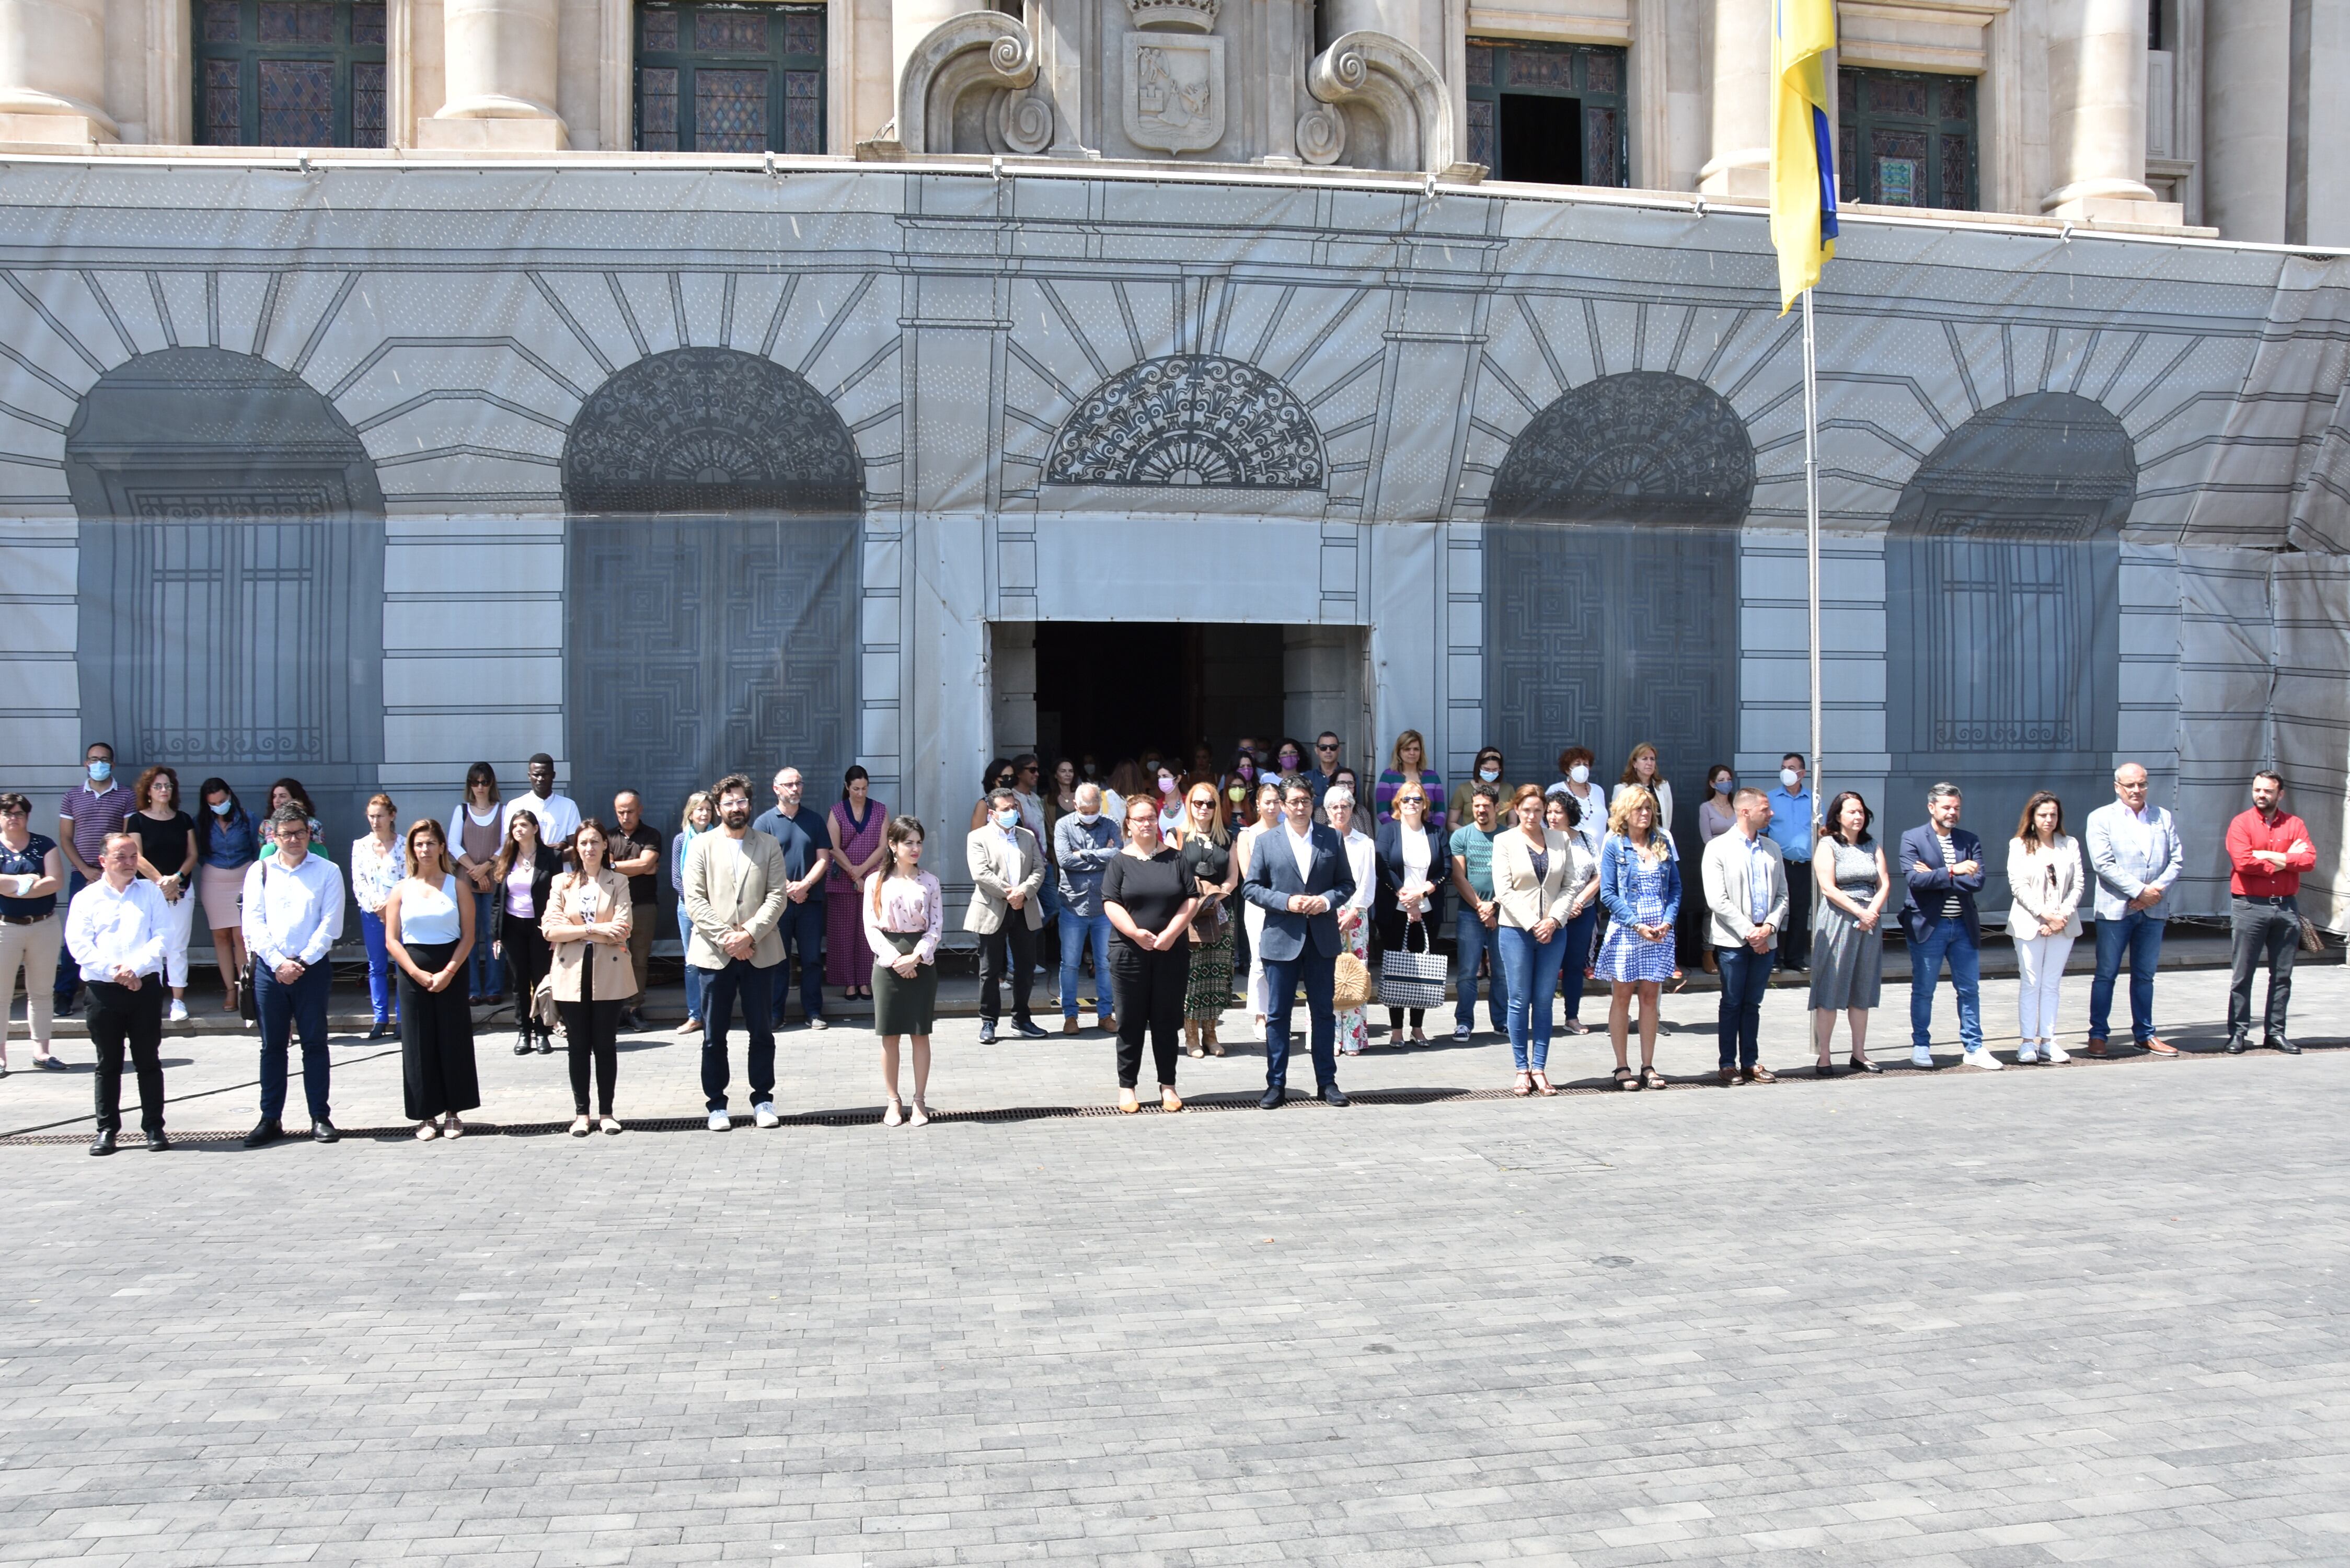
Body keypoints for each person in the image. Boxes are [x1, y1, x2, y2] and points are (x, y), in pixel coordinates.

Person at [682, 774, 790, 1131]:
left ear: (750, 804)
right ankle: (716, 1104)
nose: (736, 808)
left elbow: (777, 896)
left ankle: (763, 1100)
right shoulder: (701, 845)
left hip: (759, 951)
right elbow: (694, 898)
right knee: (714, 1034)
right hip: (715, 954)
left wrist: (748, 935)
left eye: (741, 801)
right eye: (728, 803)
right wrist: (728, 938)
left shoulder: (769, 845)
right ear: (717, 808)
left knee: (761, 1031)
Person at [1242, 778, 1356, 1110]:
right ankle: (1276, 1085)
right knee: (1277, 1016)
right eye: (1293, 801)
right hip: (1282, 937)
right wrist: (1286, 902)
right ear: (1281, 804)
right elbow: (1251, 889)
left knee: (1323, 1013)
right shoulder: (1265, 840)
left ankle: (1327, 1082)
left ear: (1313, 803)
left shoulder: (1331, 837)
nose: (1300, 807)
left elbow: (1346, 884)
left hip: (1321, 938)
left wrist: (1326, 901)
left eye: (1305, 800)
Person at [240, 807, 345, 1147]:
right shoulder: (260, 871)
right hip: (271, 973)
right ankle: (270, 1118)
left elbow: (331, 925)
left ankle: (320, 1116)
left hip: (312, 971)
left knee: (315, 1044)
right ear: (274, 837)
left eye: (300, 832)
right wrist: (277, 963)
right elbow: (253, 923)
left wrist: (300, 962)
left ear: (309, 833)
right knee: (272, 1047)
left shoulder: (328, 871)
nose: (294, 839)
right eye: (286, 834)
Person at [65, 833, 171, 1155]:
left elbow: (163, 937)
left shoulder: (150, 893)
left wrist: (135, 970)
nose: (129, 864)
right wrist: (116, 972)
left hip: (144, 988)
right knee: (108, 1063)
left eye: (133, 856)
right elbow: (79, 945)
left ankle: (154, 1127)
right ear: (103, 862)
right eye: (121, 858)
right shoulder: (86, 898)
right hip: (103, 990)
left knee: (148, 1061)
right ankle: (107, 1130)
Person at [382, 817, 480, 1140]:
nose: (425, 849)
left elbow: (468, 936)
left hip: (451, 969)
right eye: (419, 844)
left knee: (452, 1039)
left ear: (442, 848)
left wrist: (449, 971)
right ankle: (426, 1115)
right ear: (412, 848)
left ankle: (453, 1112)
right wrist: (416, 973)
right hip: (414, 974)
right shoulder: (400, 889)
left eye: (431, 843)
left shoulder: (458, 886)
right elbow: (392, 940)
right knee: (418, 1043)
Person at [1102, 795, 1200, 1114]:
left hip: (1171, 951)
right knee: (1129, 1021)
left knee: (1166, 1020)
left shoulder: (1176, 859)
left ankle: (1168, 1085)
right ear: (1128, 824)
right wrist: (1134, 933)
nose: (1146, 824)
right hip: (1129, 953)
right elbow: (1111, 903)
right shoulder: (1119, 861)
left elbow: (1191, 899)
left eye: (1150, 818)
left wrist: (1171, 934)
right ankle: (1127, 1086)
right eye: (1139, 819)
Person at [544, 816, 637, 1138]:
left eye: (595, 841)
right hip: (571, 973)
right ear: (576, 848)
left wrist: (575, 934)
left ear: (605, 845)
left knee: (606, 1044)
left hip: (609, 972)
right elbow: (550, 929)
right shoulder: (562, 883)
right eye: (584, 842)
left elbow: (623, 929)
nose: (590, 847)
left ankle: (607, 1112)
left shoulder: (618, 881)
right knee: (578, 1046)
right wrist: (594, 929)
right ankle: (582, 1114)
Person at [2083, 763, 2184, 1058]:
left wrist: (2154, 894)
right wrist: (2140, 892)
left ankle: (2145, 1034)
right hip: (2116, 909)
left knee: (2145, 976)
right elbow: (2103, 863)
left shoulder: (2162, 816)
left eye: (2142, 784)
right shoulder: (2101, 818)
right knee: (2106, 974)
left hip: (2153, 910)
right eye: (2130, 785)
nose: (2137, 790)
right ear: (2118, 787)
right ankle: (2098, 1035)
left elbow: (2176, 860)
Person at [1899, 783, 1995, 1070]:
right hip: (1929, 925)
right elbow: (1915, 881)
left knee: (1969, 989)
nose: (1953, 813)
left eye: (1957, 808)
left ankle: (1974, 1047)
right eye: (1947, 807)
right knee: (1924, 989)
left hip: (1963, 925)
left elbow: (1978, 882)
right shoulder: (1913, 838)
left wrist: (1938, 876)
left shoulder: (1969, 840)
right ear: (1932, 808)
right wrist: (1955, 870)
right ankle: (1921, 1045)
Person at [2224, 769, 2317, 1055]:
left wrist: (2267, 855)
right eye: (2257, 790)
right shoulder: (2241, 823)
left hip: (2287, 907)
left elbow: (2310, 860)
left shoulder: (2295, 824)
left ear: (2280, 794)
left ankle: (2275, 1033)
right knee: (2243, 974)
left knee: (2282, 975)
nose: (2261, 795)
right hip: (2249, 905)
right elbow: (2243, 862)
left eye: (2267, 791)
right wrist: (2286, 860)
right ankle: (2238, 1033)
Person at [1491, 785, 1576, 1096]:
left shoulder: (1560, 839)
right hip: (1517, 930)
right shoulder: (1504, 841)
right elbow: (1504, 890)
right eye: (1526, 810)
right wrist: (1533, 923)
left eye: (1538, 810)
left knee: (1543, 1000)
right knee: (1518, 999)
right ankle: (1521, 1069)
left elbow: (1570, 885)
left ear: (1546, 812)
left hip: (1554, 930)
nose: (1532, 815)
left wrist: (1553, 920)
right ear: (1516, 809)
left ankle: (1540, 1068)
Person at [1701, 787, 1787, 1087]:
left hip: (1766, 939)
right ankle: (1727, 1063)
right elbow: (1717, 899)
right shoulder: (1718, 848)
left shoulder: (1773, 849)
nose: (1771, 813)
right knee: (1732, 1002)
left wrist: (1769, 928)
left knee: (1753, 1004)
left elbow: (1783, 896)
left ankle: (1750, 1061)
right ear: (1745, 811)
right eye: (1766, 808)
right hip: (1733, 941)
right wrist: (1750, 932)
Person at [1595, 787, 1679, 1091]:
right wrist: (1636, 924)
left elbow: (1676, 888)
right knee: (1622, 996)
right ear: (1625, 812)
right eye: (1639, 809)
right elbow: (1608, 893)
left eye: (1649, 808)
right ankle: (1621, 1066)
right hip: (1629, 931)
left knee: (1649, 998)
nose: (1645, 814)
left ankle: (1648, 1065)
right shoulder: (1615, 845)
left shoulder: (1663, 841)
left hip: (1660, 932)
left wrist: (1668, 920)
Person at [865, 816, 944, 1127]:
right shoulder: (876, 881)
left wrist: (917, 957)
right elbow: (871, 926)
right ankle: (893, 1101)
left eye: (919, 842)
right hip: (888, 958)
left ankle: (919, 1101)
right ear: (893, 845)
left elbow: (936, 926)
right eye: (908, 842)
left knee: (920, 1032)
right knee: (890, 1035)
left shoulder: (931, 881)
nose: (915, 848)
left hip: (922, 959)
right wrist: (896, 958)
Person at [1807, 791, 1889, 1075]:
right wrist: (1859, 911)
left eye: (1861, 812)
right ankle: (1825, 1055)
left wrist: (1872, 913)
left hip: (1869, 921)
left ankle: (1859, 1053)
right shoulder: (1828, 845)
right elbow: (1828, 887)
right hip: (1839, 918)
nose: (1858, 816)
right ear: (1838, 816)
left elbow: (1884, 883)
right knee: (1832, 984)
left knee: (1862, 986)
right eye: (1852, 812)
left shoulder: (1872, 845)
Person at [54, 740, 132, 1019]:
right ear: (86, 763)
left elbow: (127, 838)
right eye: (93, 759)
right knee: (77, 935)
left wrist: (111, 870)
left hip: (115, 875)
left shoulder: (126, 796)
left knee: (117, 931)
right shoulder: (72, 796)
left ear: (112, 763)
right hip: (82, 874)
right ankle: (64, 993)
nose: (98, 763)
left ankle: (119, 986)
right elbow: (65, 838)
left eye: (104, 759)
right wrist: (86, 870)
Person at [965, 787, 1049, 1043]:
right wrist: (1010, 893)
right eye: (1006, 809)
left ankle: (1021, 1018)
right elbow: (980, 873)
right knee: (990, 970)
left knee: (1025, 968)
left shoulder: (1027, 836)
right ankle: (988, 1021)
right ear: (992, 813)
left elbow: (1039, 868)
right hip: (992, 908)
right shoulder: (978, 837)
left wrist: (1023, 892)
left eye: (1014, 807)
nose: (1012, 812)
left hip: (1025, 908)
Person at [2007, 791, 2083, 1067]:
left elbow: (2079, 885)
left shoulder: (2069, 844)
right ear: (2033, 817)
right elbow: (2018, 885)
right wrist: (2044, 915)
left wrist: (2060, 916)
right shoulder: (2019, 845)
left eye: (2053, 814)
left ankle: (2048, 1041)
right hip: (2031, 923)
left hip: (2063, 924)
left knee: (2051, 984)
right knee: (2031, 982)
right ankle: (2027, 1042)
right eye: (2043, 815)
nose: (2049, 820)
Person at [753, 767, 831, 1030]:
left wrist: (805, 885)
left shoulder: (815, 820)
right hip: (777, 903)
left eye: (799, 783)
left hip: (810, 901)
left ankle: (813, 1012)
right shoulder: (764, 823)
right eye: (789, 785)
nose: (795, 789)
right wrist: (788, 887)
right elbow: (759, 863)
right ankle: (776, 1013)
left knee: (811, 959)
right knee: (778, 959)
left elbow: (824, 859)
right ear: (776, 789)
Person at [1375, 781, 1449, 1047]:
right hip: (1395, 909)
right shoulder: (1388, 831)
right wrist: (1406, 897)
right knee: (1397, 969)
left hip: (1428, 910)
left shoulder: (1436, 832)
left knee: (1423, 970)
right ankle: (1396, 1030)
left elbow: (1446, 868)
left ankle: (1417, 1028)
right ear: (1398, 803)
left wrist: (1425, 892)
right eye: (1406, 799)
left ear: (1425, 804)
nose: (1412, 804)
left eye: (1417, 799)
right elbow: (1382, 867)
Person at [125, 766, 198, 1024]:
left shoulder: (184, 819)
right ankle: (150, 998)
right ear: (148, 791)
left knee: (177, 946)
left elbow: (192, 855)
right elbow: (137, 856)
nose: (164, 790)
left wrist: (176, 879)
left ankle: (178, 1000)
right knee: (148, 946)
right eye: (158, 786)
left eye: (168, 786)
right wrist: (161, 882)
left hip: (182, 890)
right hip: (150, 892)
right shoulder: (137, 820)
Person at [0, 792, 65, 1071]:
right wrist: (27, 881)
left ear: (27, 816)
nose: (14, 818)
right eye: (8, 813)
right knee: (1, 994)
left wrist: (13, 887)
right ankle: (1, 1056)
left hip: (44, 925)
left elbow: (56, 882)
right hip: (6, 928)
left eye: (19, 813)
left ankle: (42, 1051)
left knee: (41, 991)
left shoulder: (44, 844)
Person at [489, 811, 561, 1056]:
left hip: (541, 928)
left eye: (523, 825)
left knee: (541, 980)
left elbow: (558, 895)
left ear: (535, 829)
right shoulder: (506, 857)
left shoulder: (551, 857)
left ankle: (542, 1032)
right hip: (513, 927)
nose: (518, 829)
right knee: (519, 982)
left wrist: (556, 931)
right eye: (514, 826)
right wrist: (496, 935)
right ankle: (524, 1032)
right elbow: (498, 900)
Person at [1176, 779, 1238, 1056]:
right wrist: (1198, 894)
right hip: (1190, 914)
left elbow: (1234, 878)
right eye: (1198, 803)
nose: (1203, 808)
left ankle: (1210, 1033)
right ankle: (1191, 1036)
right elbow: (1173, 876)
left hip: (1222, 913)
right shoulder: (1177, 836)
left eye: (1209, 803)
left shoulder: (1228, 838)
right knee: (1193, 976)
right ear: (1189, 805)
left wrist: (1218, 893)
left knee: (1217, 975)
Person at [1054, 782, 1120, 1034]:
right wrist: (1101, 855)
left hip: (1105, 905)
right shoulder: (1064, 825)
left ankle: (1106, 1015)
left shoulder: (1111, 822)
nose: (1091, 815)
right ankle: (1070, 1016)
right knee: (1069, 964)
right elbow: (1064, 860)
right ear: (1076, 805)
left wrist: (1084, 854)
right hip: (1073, 904)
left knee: (1105, 963)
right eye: (1086, 810)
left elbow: (1118, 854)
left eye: (1095, 810)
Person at [1446, 783, 1509, 1043]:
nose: (1481, 810)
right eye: (1477, 806)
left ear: (1497, 808)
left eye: (1486, 806)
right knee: (1468, 972)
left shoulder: (1508, 837)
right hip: (1470, 914)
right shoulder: (1461, 836)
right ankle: (1464, 1023)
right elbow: (1458, 877)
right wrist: (1481, 907)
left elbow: (1512, 878)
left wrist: (1493, 905)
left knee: (1502, 971)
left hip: (1504, 913)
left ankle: (1502, 1021)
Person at [195, 778, 258, 1016]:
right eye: (213, 803)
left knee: (241, 936)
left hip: (243, 875)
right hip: (214, 879)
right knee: (221, 937)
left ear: (230, 795)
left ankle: (245, 989)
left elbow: (256, 848)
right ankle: (229, 990)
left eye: (222, 801)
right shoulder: (201, 822)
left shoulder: (247, 818)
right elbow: (199, 852)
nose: (219, 806)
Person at [826, 767, 888, 1005]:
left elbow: (883, 846)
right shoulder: (837, 811)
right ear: (847, 786)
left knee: (868, 932)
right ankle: (849, 982)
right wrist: (854, 873)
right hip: (843, 878)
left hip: (871, 877)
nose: (860, 793)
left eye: (864, 788)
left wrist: (862, 872)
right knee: (842, 934)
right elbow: (833, 847)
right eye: (855, 789)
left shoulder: (880, 810)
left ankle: (865, 980)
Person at [1324, 786, 1377, 1057]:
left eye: (1345, 806)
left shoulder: (1364, 842)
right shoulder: (1318, 839)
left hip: (1356, 913)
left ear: (1352, 809)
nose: (1340, 811)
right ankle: (1330, 1039)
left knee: (1355, 975)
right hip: (1326, 913)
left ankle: (1355, 1038)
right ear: (1327, 811)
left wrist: (1355, 911)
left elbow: (1368, 882)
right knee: (1328, 976)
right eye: (1334, 807)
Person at [1545, 791, 1603, 1036]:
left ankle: (1572, 1016)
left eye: (1558, 811)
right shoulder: (1542, 839)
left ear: (1570, 814)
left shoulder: (1587, 840)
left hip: (1583, 912)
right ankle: (1542, 1017)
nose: (1552, 817)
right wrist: (1563, 907)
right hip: (1551, 914)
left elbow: (1599, 875)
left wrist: (1579, 900)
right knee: (1547, 967)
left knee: (1574, 965)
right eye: (1549, 811)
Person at [449, 763, 505, 1006]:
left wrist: (487, 867)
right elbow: (452, 844)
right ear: (469, 785)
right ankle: (471, 988)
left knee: (494, 935)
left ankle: (493, 988)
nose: (480, 787)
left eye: (484, 782)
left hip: (494, 881)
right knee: (468, 936)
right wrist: (475, 869)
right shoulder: (462, 811)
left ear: (491, 783)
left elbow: (507, 844)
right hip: (466, 882)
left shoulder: (503, 811)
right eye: (475, 782)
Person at [349, 793, 404, 1040]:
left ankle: (403, 1017)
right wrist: (376, 906)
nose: (375, 821)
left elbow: (409, 877)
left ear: (392, 815)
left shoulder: (404, 845)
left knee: (402, 963)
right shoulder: (360, 845)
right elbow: (358, 881)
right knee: (377, 965)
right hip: (372, 913)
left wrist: (392, 906)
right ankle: (380, 1018)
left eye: (380, 816)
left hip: (400, 912)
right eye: (371, 816)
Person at [608, 791, 662, 1032]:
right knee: (614, 958)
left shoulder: (652, 835)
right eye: (621, 812)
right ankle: (614, 1008)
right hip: (613, 907)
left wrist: (619, 866)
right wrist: (641, 868)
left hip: (644, 905)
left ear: (640, 809)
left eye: (630, 811)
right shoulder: (607, 836)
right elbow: (604, 868)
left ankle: (634, 1008)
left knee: (639, 960)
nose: (626, 816)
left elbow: (645, 863)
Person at [1235, 780, 1283, 1038]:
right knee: (1259, 960)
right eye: (1268, 802)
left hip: (1286, 906)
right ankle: (1260, 1015)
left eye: (1277, 801)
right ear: (1258, 805)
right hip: (1258, 906)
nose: (1273, 806)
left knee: (1282, 963)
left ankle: (1277, 1013)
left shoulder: (1289, 832)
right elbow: (1247, 875)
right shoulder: (1247, 835)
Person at [671, 791, 715, 1034]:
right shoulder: (681, 840)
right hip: (688, 907)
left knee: (715, 961)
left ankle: (714, 1014)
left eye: (708, 809)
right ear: (690, 812)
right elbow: (677, 878)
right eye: (699, 809)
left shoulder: (719, 838)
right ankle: (695, 1015)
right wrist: (694, 901)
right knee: (692, 963)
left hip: (715, 908)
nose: (704, 813)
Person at [1766, 754, 1814, 971]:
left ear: (1802, 773)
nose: (1786, 771)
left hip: (1804, 865)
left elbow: (1821, 832)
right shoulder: (1771, 799)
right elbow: (1762, 832)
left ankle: (1795, 958)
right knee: (1774, 911)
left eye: (1792, 767)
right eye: (1784, 767)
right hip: (1778, 865)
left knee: (1800, 911)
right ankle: (1772, 958)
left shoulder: (1814, 800)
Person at [1374, 729, 1447, 835]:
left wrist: (1434, 832)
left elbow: (1440, 812)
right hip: (1398, 835)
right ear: (1399, 752)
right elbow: (1382, 813)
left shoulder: (1433, 777)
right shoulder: (1388, 776)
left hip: (1429, 835)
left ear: (1421, 752)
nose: (1412, 753)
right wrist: (1398, 832)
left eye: (1416, 749)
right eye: (1407, 749)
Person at [503, 753, 581, 849]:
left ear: (553, 775)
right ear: (529, 776)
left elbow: (577, 849)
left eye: (545, 775)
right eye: (536, 775)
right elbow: (511, 846)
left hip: (559, 864)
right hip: (525, 864)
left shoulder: (569, 806)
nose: (540, 779)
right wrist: (550, 853)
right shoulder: (515, 806)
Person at [258, 779, 327, 859]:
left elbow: (319, 851)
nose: (277, 801)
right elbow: (263, 850)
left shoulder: (313, 824)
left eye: (282, 796)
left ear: (296, 798)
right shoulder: (266, 825)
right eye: (274, 796)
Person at [1447, 747, 1510, 831]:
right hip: (1470, 840)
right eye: (1487, 769)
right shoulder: (1463, 789)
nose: (1491, 773)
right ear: (1479, 767)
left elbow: (1513, 823)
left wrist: (1503, 837)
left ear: (1500, 770)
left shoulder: (1508, 789)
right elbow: (1451, 823)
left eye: (1495, 770)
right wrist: (1466, 835)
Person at [968, 758, 1018, 832]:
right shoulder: (984, 805)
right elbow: (975, 837)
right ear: (993, 780)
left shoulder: (1017, 804)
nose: (1009, 780)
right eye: (1005, 777)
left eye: (1012, 777)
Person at [1304, 732, 1344, 803]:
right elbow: (1305, 803)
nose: (1328, 751)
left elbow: (1351, 803)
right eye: (1323, 748)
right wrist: (1337, 800)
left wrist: (1316, 800)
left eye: (1333, 747)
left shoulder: (1349, 776)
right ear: (1317, 750)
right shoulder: (1308, 777)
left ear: (1339, 750)